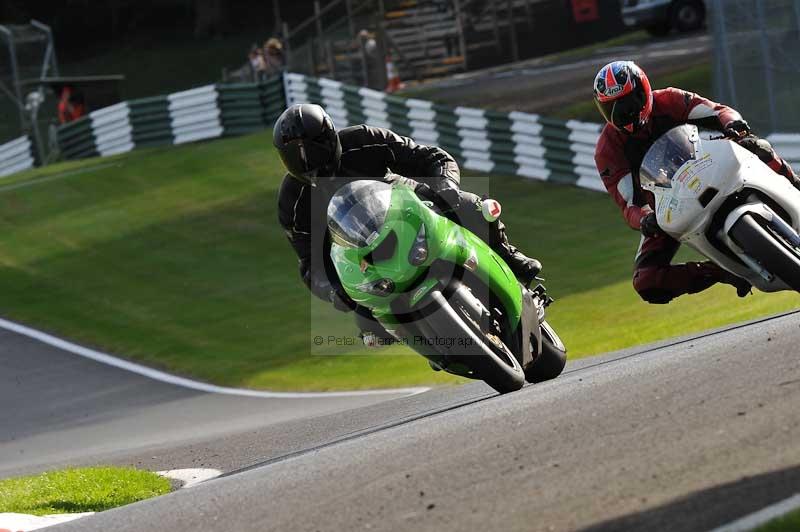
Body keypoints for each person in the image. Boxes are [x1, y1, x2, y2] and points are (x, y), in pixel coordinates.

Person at [275, 103, 541, 343]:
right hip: (359, 252)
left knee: (470, 205)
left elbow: (430, 156)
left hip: (405, 204)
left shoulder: (363, 140)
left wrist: (446, 185)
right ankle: (421, 338)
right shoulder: (292, 201)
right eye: (294, 157)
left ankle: (508, 254)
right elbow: (310, 262)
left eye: (313, 151)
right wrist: (334, 292)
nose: (307, 162)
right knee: (368, 323)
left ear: (330, 138)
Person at [593, 60, 800, 304]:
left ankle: (796, 185)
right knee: (646, 280)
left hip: (710, 165)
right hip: (668, 208)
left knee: (758, 147)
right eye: (612, 110)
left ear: (644, 91)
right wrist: (645, 220)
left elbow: (717, 111)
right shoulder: (607, 150)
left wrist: (733, 124)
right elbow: (629, 204)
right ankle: (724, 271)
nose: (624, 115)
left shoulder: (669, 99)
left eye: (628, 103)